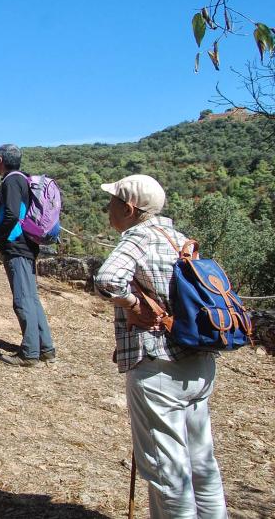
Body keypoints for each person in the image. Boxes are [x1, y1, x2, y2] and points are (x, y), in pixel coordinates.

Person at [94, 174, 226, 518]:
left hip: (159, 367)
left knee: (169, 476)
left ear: (128, 207)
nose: (108, 208)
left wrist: (134, 306)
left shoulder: (138, 237)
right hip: (197, 362)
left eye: (112, 202)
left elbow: (108, 279)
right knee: (201, 467)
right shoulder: (180, 240)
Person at [0, 144, 56, 367]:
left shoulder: (11, 181)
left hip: (16, 246)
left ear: (0, 160)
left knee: (22, 299)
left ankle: (30, 352)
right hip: (27, 245)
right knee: (30, 297)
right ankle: (45, 348)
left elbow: (10, 215)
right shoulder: (23, 179)